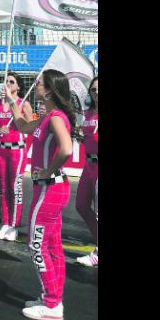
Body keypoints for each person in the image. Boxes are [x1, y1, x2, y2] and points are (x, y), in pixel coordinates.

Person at [1, 69, 76, 320]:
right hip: (50, 188)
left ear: (50, 90)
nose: (36, 85)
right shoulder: (45, 117)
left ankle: (52, 303)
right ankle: (53, 299)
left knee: (37, 244)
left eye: (40, 83)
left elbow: (66, 149)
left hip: (50, 188)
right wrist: (12, 102)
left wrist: (48, 170)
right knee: (53, 247)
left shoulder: (55, 116)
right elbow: (22, 125)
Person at [0, 71, 34, 242]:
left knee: (15, 188)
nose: (7, 84)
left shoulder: (24, 104)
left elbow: (30, 128)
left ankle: (14, 226)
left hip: (17, 150)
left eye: (11, 82)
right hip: (1, 149)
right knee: (3, 187)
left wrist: (18, 121)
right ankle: (5, 223)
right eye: (6, 81)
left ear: (18, 86)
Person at [75, 76, 98, 267]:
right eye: (93, 89)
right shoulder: (89, 114)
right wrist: (80, 136)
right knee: (81, 205)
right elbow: (87, 138)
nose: (96, 92)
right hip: (88, 165)